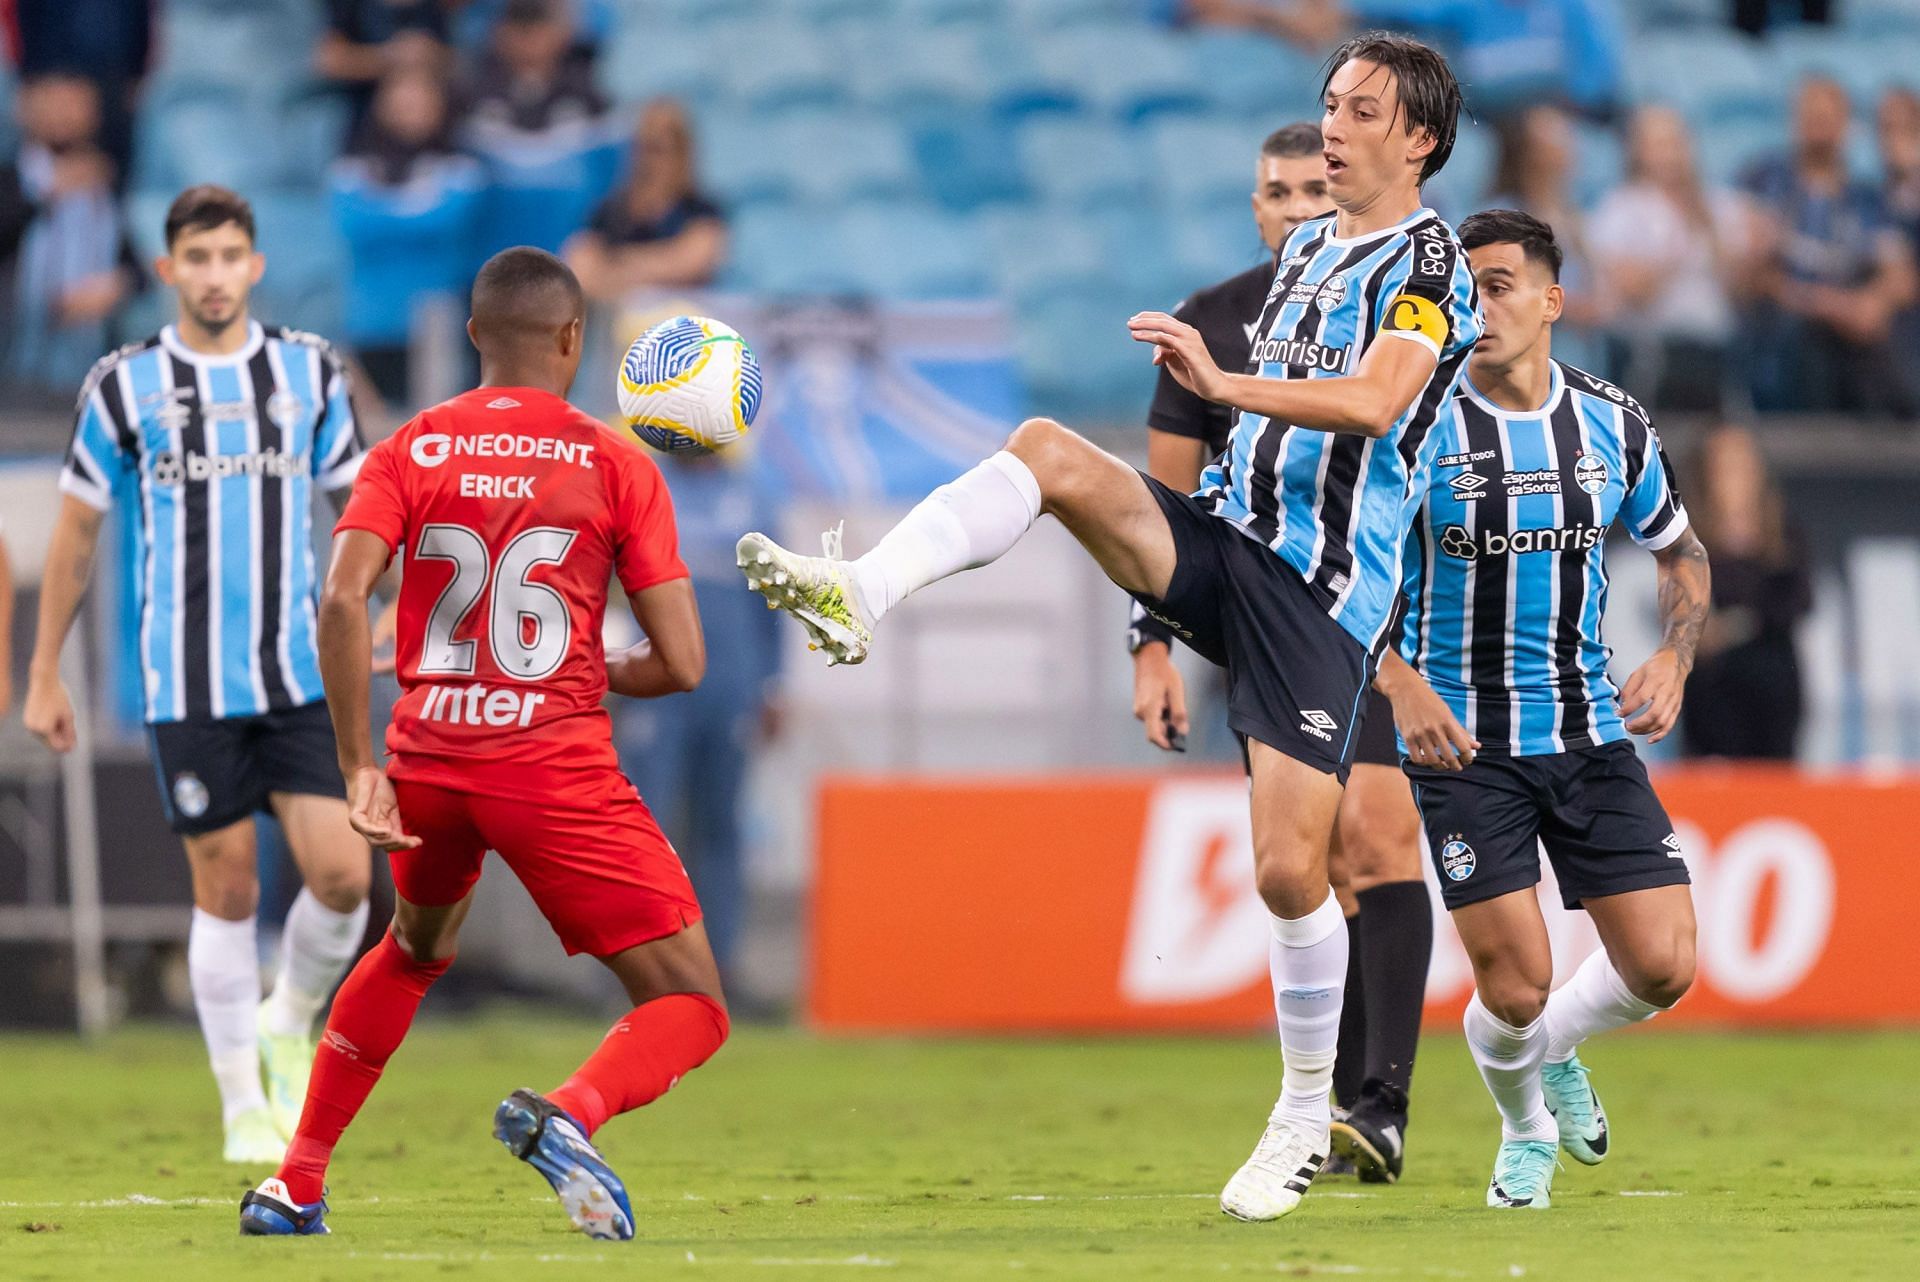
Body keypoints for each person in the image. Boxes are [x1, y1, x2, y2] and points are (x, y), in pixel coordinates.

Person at [741, 32, 1480, 1222]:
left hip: (1320, 597)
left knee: (1293, 868)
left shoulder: (1431, 258)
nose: (1333, 126)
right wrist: (1157, 617)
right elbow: (1227, 436)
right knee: (1047, 452)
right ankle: (862, 591)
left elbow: (1379, 398)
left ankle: (1306, 1108)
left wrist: (1226, 383)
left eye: (1360, 111)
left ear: (1419, 139)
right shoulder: (1305, 255)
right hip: (1226, 544)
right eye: (1328, 104)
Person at [238, 247, 727, 1241]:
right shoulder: (615, 461)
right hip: (551, 771)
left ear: (472, 337)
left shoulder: (408, 450)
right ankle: (570, 1112)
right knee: (693, 1006)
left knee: (412, 950)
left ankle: (294, 1182)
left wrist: (355, 768)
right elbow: (681, 662)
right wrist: (589, 665)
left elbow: (339, 599)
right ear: (573, 340)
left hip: (427, 764)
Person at [23, 186, 375, 1163]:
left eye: (231, 256)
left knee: (345, 875)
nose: (215, 274)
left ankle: (290, 1019)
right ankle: (240, 1108)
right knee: (225, 892)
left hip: (302, 677)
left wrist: (379, 611)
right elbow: (77, 534)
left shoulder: (308, 374)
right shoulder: (123, 385)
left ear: (254, 266)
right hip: (187, 684)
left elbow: (363, 510)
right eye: (197, 257)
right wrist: (44, 669)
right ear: (169, 268)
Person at [1128, 119, 1432, 1186]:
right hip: (1258, 611)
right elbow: (1161, 504)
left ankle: (1377, 1106)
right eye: (1280, 191)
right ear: (1255, 207)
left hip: (1372, 608)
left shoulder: (1394, 287)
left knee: (1382, 837)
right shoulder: (1210, 318)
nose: (1301, 205)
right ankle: (1331, 1096)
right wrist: (1152, 649)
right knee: (1308, 861)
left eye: (1317, 185)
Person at [1384, 209, 1708, 1210]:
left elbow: (1682, 552)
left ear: (1551, 301)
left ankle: (1554, 1054)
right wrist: (1401, 684)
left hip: (1588, 733)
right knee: (1515, 985)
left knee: (1664, 965)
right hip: (1465, 747)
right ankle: (1524, 1127)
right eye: (1460, 292)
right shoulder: (1418, 426)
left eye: (1496, 286)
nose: (1474, 308)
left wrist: (1674, 656)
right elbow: (1338, 582)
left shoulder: (1613, 421)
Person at [615, 449, 779, 989]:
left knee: (721, 828)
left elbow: (773, 600)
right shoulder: (640, 483)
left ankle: (717, 971)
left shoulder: (752, 492)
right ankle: (635, 968)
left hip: (730, 688)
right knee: (642, 827)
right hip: (654, 691)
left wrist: (773, 684)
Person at [1742, 77, 1918, 416]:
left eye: (1828, 117)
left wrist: (1874, 301)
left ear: (1847, 124)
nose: (1820, 128)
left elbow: (1901, 275)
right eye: (1811, 116)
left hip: (1852, 338)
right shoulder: (1765, 183)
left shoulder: (1868, 201)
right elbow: (1750, 272)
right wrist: (1826, 304)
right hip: (1786, 327)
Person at [329, 65, 485, 408]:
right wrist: (417, 210)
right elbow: (355, 224)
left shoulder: (463, 165)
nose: (409, 108)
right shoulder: (353, 164)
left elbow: (446, 221)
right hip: (368, 322)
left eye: (420, 99)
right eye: (401, 98)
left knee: (435, 429)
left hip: (435, 323)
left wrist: (385, 209)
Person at [1587, 106, 1750, 414]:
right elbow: (1631, 292)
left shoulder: (1718, 204)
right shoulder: (1621, 208)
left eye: (1676, 142)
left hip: (1719, 350)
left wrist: (1717, 236)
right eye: (1659, 144)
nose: (1671, 155)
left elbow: (1741, 292)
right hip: (1656, 353)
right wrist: (1677, 246)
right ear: (1637, 151)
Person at [3, 72, 141, 394]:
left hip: (82, 368)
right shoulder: (11, 181)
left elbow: (135, 267)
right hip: (13, 360)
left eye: (76, 103)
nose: (64, 114)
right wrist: (46, 191)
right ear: (24, 107)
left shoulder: (103, 191)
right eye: (53, 100)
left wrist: (115, 286)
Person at [1680, 424, 1810, 760]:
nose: (1736, 477)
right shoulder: (1688, 536)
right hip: (1714, 689)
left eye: (1744, 464)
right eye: (1726, 466)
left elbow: (1797, 601)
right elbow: (1684, 605)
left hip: (1773, 684)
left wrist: (1737, 624)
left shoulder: (1782, 534)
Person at [459, 0, 621, 259]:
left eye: (538, 26)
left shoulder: (592, 104)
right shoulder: (470, 103)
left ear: (562, 32)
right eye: (519, 27)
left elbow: (613, 186)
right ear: (498, 33)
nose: (528, 39)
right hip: (492, 262)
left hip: (569, 262)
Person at [564, 98, 728, 304]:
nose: (648, 161)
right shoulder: (610, 211)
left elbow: (691, 263)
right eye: (643, 148)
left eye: (658, 149)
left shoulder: (701, 210)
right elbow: (579, 269)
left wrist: (618, 266)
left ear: (682, 154)